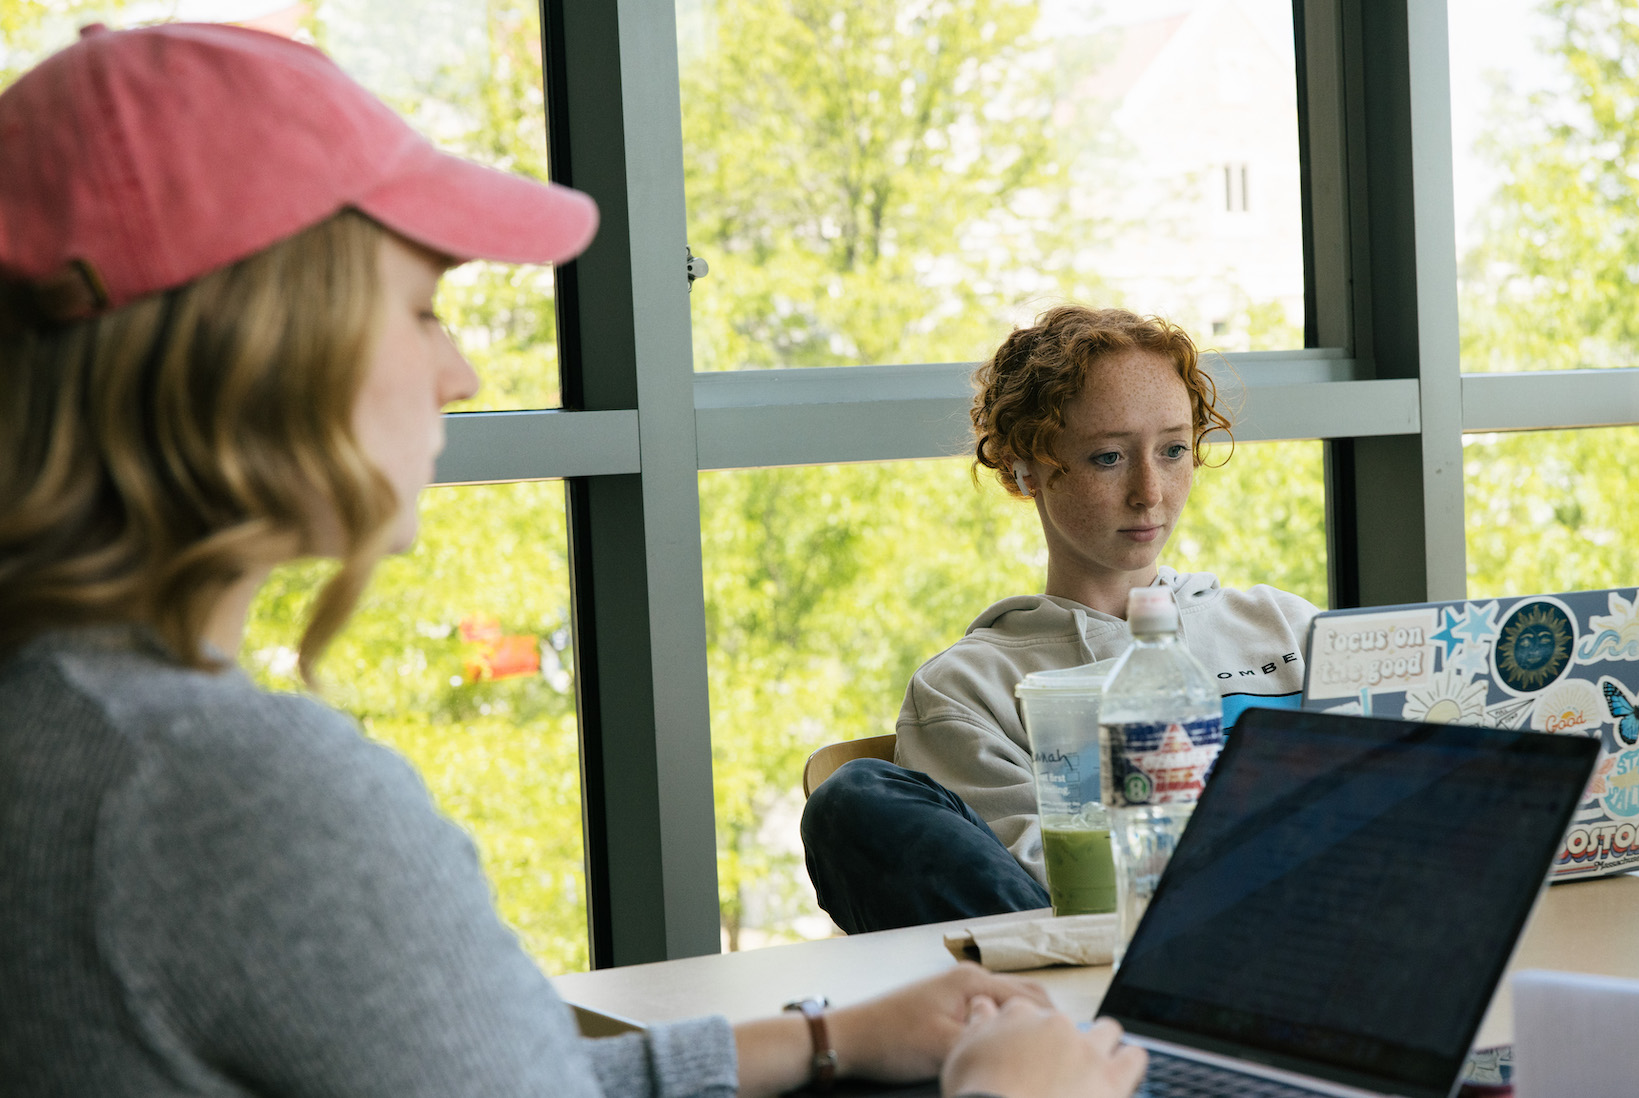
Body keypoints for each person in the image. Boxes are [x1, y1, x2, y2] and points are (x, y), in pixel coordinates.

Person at [0, 23, 1144, 1098]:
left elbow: (473, 1071)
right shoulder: (228, 788)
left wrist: (821, 1038)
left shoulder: (65, 724)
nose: (459, 376)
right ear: (255, 349)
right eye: (418, 311)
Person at [803, 306, 1319, 934]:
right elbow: (1044, 910)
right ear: (1025, 468)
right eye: (1108, 457)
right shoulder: (971, 690)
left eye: (1175, 449)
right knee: (854, 799)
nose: (1150, 492)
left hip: (1335, 949)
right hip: (1110, 983)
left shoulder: (1287, 629)